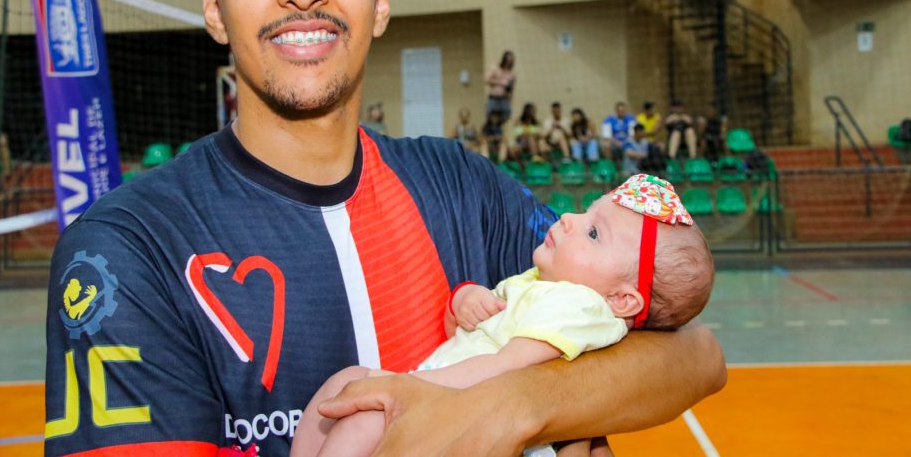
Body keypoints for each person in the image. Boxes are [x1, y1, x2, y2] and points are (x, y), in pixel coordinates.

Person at [43, 0, 725, 456]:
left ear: (380, 0)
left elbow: (693, 355)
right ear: (215, 7)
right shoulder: (127, 248)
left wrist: (510, 406)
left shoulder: (463, 187)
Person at [291, 175, 713, 457]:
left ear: (622, 301)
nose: (568, 218)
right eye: (587, 212)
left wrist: (408, 385)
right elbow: (483, 332)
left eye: (594, 233)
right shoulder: (546, 283)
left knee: (360, 415)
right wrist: (468, 302)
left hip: (455, 403)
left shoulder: (579, 307)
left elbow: (507, 365)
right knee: (344, 383)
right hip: (446, 390)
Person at [485, 50, 516, 123]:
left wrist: (510, 101)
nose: (508, 62)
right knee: (491, 119)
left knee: (506, 118)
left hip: (504, 99)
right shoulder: (495, 68)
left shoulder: (512, 74)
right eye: (507, 59)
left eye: (510, 60)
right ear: (504, 59)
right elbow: (486, 79)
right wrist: (500, 82)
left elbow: (511, 89)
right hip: (494, 98)